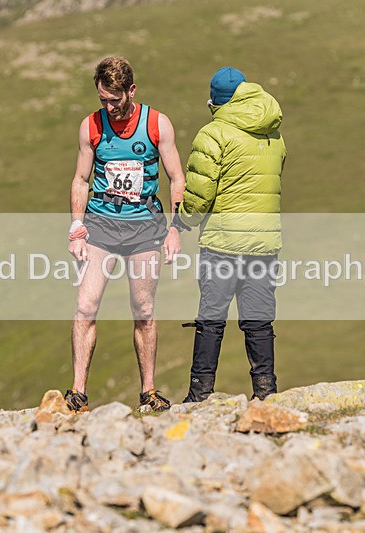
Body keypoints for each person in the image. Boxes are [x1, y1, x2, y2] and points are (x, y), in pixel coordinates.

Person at [66, 56, 185, 413]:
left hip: (145, 229)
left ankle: (148, 392)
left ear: (131, 91)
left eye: (115, 99)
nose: (109, 106)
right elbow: (81, 180)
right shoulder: (91, 126)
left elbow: (177, 177)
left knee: (144, 309)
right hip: (101, 225)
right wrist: (76, 227)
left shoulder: (157, 124)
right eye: (103, 99)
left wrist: (176, 228)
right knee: (85, 306)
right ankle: (77, 394)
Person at [173, 67, 287, 402]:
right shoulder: (275, 132)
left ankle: (200, 394)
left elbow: (199, 195)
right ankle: (266, 392)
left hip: (223, 242)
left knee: (211, 319)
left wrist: (181, 221)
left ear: (215, 101)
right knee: (259, 321)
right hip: (265, 242)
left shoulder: (214, 134)